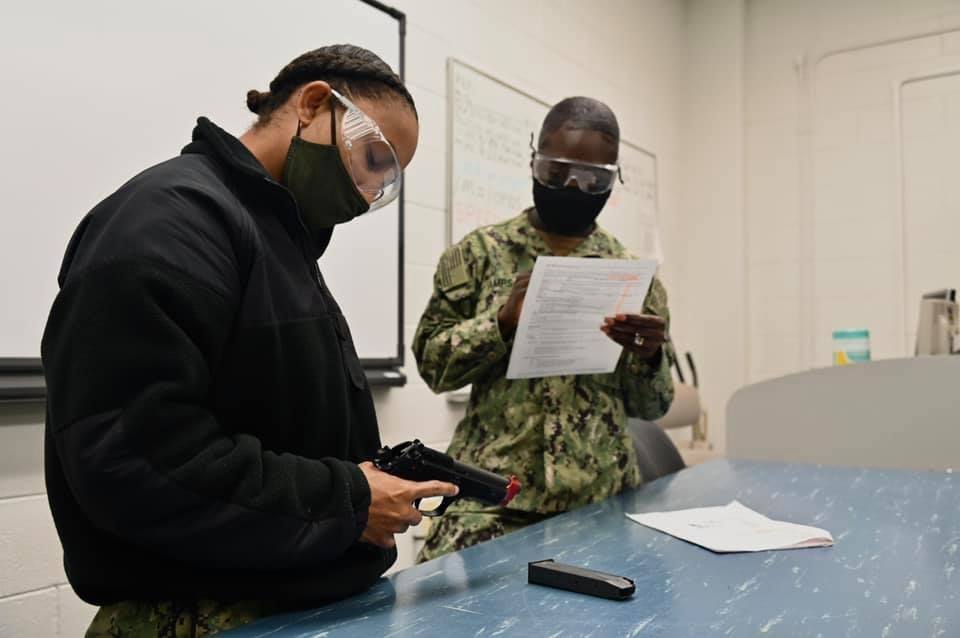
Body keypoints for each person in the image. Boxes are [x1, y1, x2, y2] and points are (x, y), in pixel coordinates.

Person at [41, 44, 458, 637]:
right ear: (315, 105)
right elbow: (138, 456)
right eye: (372, 160)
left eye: (385, 181)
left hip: (285, 605)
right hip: (197, 617)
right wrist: (349, 500)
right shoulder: (170, 221)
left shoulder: (275, 239)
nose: (369, 193)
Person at [414, 97, 675, 562]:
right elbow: (434, 367)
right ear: (534, 159)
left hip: (601, 499)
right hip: (492, 501)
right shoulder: (478, 254)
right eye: (556, 172)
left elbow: (652, 406)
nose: (573, 186)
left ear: (612, 181)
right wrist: (499, 324)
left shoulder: (632, 276)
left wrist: (649, 358)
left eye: (593, 178)